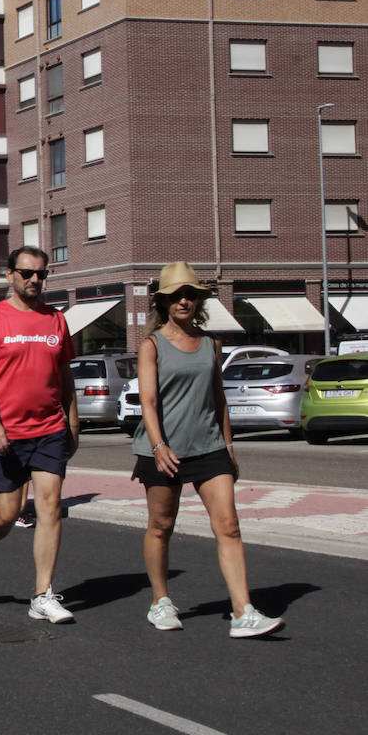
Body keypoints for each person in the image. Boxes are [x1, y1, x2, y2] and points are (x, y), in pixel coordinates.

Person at [134, 261, 284, 638]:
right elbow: (148, 402)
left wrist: (229, 446)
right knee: (161, 527)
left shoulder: (211, 344)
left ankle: (242, 611)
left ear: (198, 300)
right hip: (163, 449)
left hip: (209, 446)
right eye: (176, 295)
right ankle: (160, 601)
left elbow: (219, 399)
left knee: (229, 526)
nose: (184, 301)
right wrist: (158, 445)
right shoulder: (151, 345)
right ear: (163, 302)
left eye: (190, 295)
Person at [0, 246, 78, 624]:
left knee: (50, 507)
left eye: (41, 274)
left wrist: (72, 423)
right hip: (6, 433)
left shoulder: (56, 320)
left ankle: (43, 595)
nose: (34, 280)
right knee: (6, 515)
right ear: (11, 275)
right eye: (27, 273)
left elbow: (64, 375)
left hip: (49, 429)